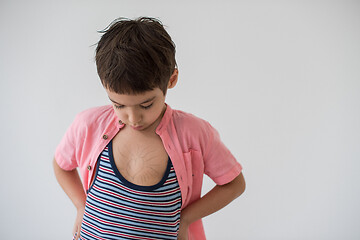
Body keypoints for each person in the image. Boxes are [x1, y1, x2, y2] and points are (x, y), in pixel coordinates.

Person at [53, 17, 246, 240]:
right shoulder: (89, 124)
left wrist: (185, 219)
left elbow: (234, 184)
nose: (133, 118)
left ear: (171, 79)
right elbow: (61, 165)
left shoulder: (195, 133)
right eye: (119, 105)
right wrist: (80, 206)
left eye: (146, 105)